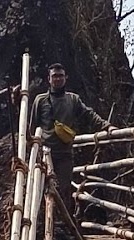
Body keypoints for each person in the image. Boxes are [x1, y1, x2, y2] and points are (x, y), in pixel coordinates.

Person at [31, 62, 112, 225]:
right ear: (49, 79)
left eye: (61, 76)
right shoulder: (40, 100)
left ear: (65, 78)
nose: (58, 79)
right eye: (55, 76)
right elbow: (32, 125)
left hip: (65, 152)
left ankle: (63, 222)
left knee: (65, 187)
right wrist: (30, 146)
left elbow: (88, 114)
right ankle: (41, 222)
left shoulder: (73, 99)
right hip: (44, 151)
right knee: (40, 187)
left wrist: (106, 125)